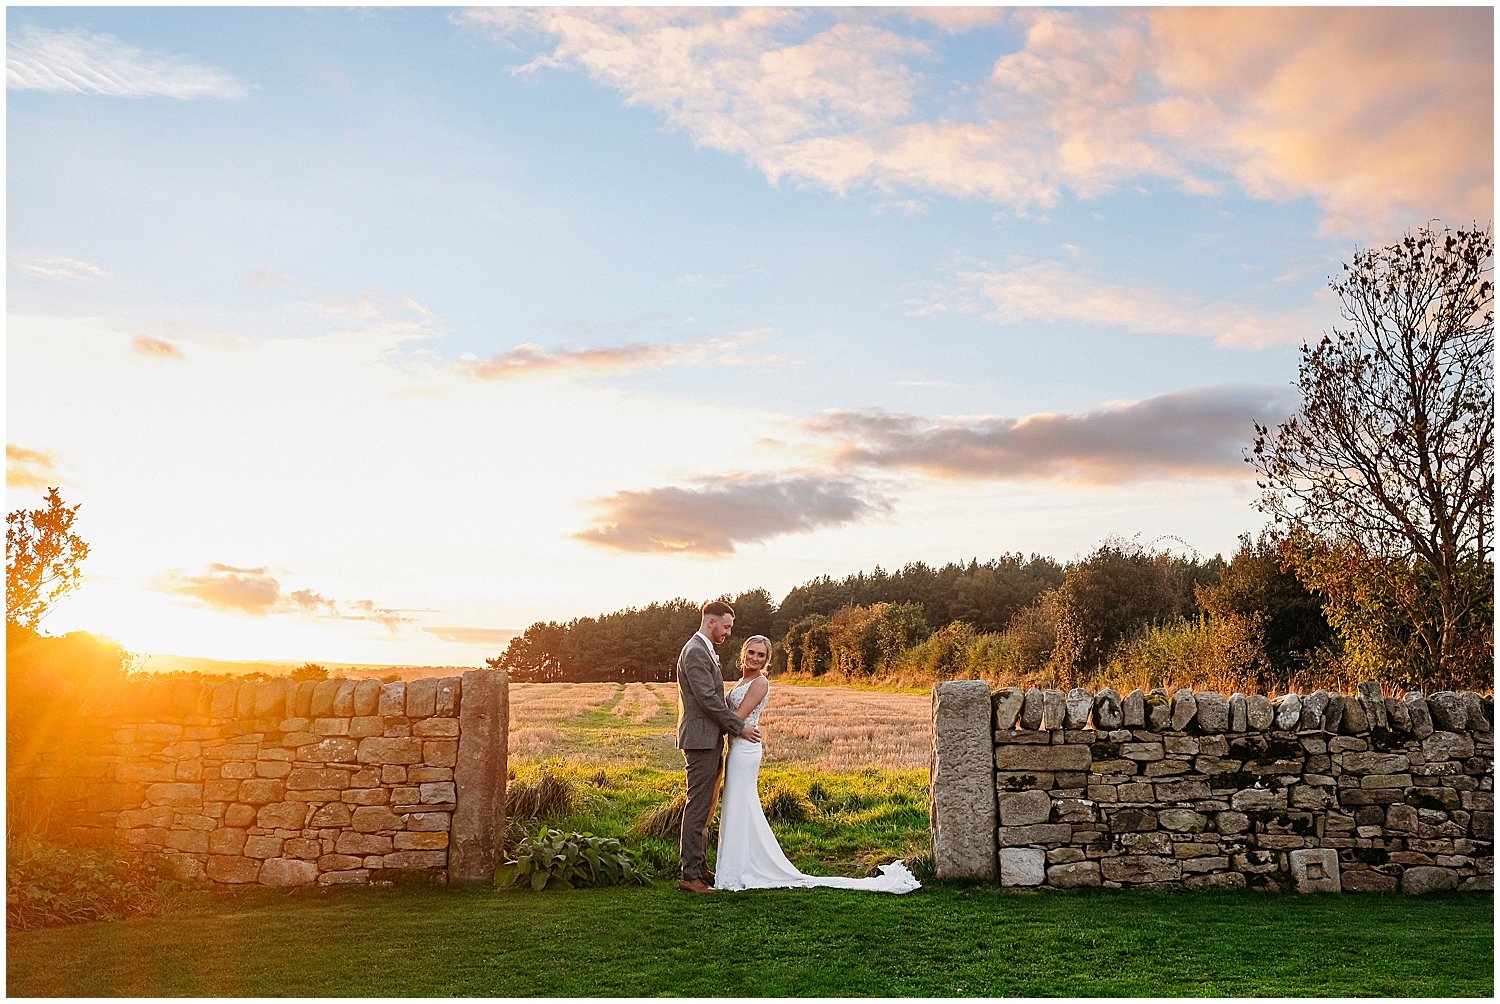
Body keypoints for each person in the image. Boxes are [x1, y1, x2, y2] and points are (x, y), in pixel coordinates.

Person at [713, 635, 920, 894]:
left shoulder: (760, 682)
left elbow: (738, 717)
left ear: (767, 660)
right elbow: (733, 719)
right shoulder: (741, 681)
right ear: (743, 654)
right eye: (752, 653)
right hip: (737, 745)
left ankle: (739, 870)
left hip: (746, 750)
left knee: (740, 803)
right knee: (738, 804)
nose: (755, 658)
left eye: (761, 655)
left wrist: (718, 720)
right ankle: (737, 865)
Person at [676, 599, 760, 894]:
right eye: (726, 626)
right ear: (711, 622)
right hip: (699, 740)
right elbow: (708, 700)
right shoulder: (696, 651)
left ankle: (699, 868)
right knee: (698, 806)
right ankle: (689, 876)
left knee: (707, 806)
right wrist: (738, 726)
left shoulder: (704, 650)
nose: (728, 633)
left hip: (708, 738)